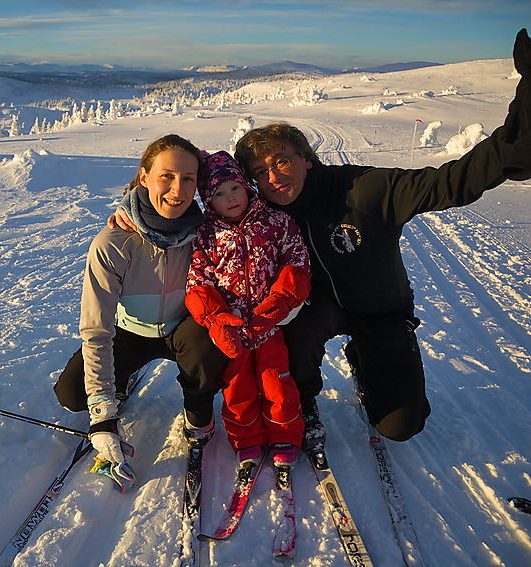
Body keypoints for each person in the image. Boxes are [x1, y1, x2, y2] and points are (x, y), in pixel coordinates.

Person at [231, 28, 531, 451]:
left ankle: (368, 360)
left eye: (282, 161)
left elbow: (454, 182)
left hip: (381, 309)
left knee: (400, 426)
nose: (273, 178)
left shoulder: (365, 189)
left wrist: (519, 132)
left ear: (308, 160)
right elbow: (211, 222)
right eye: (260, 173)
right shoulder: (263, 210)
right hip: (317, 309)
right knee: (294, 326)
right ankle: (303, 398)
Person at [53, 134, 229, 490]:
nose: (177, 190)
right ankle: (121, 379)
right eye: (166, 176)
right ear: (144, 176)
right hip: (131, 331)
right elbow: (96, 329)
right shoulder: (114, 241)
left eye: (188, 179)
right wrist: (102, 412)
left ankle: (197, 411)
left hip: (183, 329)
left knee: (206, 345)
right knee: (72, 395)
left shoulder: (207, 232)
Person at [185, 150, 310, 473]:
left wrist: (282, 300)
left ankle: (285, 435)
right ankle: (247, 438)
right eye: (219, 194)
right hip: (233, 331)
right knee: (237, 387)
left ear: (247, 187)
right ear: (207, 201)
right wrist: (215, 319)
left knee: (277, 382)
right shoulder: (206, 235)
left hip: (269, 325)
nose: (230, 199)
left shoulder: (275, 222)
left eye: (235, 189)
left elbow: (297, 260)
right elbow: (198, 282)